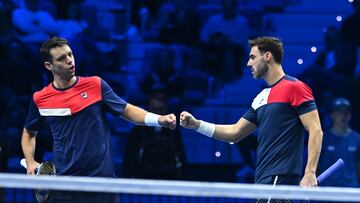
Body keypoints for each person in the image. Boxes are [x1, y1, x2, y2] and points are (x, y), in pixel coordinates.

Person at [21, 37, 176, 202]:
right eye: (61, 58)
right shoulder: (40, 98)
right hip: (63, 184)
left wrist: (159, 119)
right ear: (49, 66)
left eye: (70, 54)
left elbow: (127, 110)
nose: (69, 60)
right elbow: (29, 132)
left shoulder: (95, 85)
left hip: (101, 182)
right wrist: (30, 161)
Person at [180, 37, 323, 188]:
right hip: (262, 181)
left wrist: (309, 173)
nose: (248, 63)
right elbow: (235, 132)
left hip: (280, 179)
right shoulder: (261, 97)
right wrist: (197, 125)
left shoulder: (295, 87)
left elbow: (316, 130)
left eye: (253, 57)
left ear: (267, 56)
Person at [123, 90, 186, 179]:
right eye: (155, 109)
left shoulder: (174, 130)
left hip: (168, 176)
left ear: (166, 108)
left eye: (161, 109)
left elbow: (181, 156)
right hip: (143, 177)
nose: (158, 113)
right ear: (148, 108)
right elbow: (129, 158)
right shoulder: (137, 130)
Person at [318, 97, 360, 187]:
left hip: (351, 189)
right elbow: (314, 164)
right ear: (332, 114)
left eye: (346, 112)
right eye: (339, 112)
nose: (343, 115)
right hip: (326, 190)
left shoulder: (357, 139)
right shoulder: (322, 138)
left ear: (350, 115)